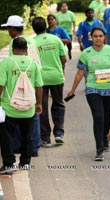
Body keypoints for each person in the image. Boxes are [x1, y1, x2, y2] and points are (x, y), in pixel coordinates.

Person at [66, 27, 110, 161]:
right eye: (95, 36)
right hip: (92, 88)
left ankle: (105, 141)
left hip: (109, 89)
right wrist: (72, 90)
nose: (98, 38)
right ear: (91, 37)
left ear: (104, 37)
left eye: (100, 36)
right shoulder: (86, 53)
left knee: (107, 116)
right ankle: (99, 149)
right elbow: (80, 73)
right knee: (98, 116)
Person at [0, 37, 43, 174]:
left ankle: (9, 164)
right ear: (26, 50)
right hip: (28, 108)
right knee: (27, 136)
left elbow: (1, 85)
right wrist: (39, 103)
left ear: (12, 49)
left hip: (10, 108)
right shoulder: (33, 64)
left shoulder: (6, 63)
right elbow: (39, 86)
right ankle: (25, 162)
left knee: (7, 136)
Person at [32, 17, 67, 147]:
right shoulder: (56, 39)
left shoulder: (33, 42)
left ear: (34, 28)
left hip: (40, 79)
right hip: (56, 77)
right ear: (45, 26)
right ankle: (59, 133)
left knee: (42, 106)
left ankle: (45, 138)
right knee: (58, 104)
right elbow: (63, 58)